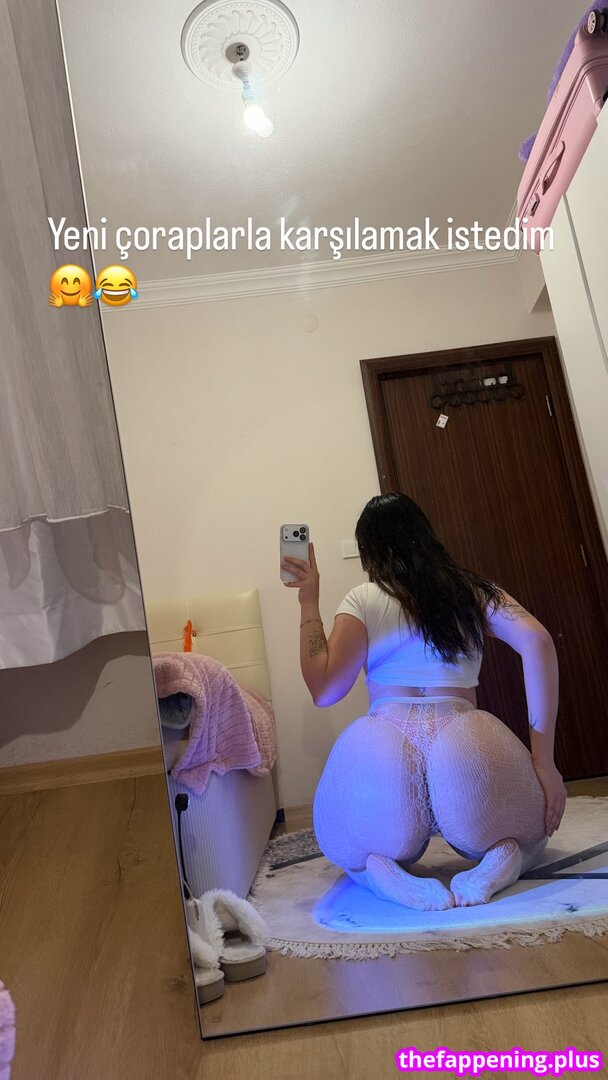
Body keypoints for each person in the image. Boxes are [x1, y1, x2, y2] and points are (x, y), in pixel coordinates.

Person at [281, 493, 567, 910]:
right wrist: (544, 762)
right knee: (528, 838)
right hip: (466, 741)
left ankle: (380, 871)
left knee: (355, 849)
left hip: (385, 746)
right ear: (427, 537)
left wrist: (308, 601)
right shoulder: (470, 591)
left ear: (368, 553)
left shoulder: (363, 598)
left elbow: (325, 691)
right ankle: (503, 859)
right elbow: (538, 642)